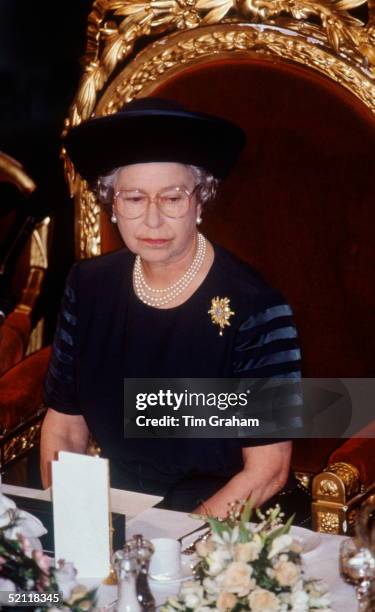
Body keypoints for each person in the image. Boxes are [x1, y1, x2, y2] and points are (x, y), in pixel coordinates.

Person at [40, 97, 304, 518]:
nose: (152, 220)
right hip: (117, 511)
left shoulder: (256, 307)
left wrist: (174, 547)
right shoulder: (87, 286)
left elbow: (267, 472)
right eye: (134, 199)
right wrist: (72, 522)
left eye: (172, 198)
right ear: (112, 204)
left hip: (224, 526)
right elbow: (65, 425)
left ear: (200, 202)